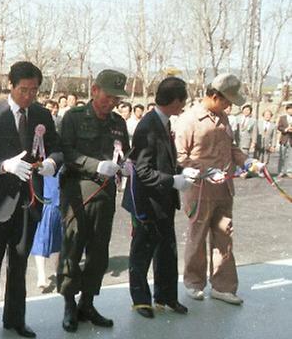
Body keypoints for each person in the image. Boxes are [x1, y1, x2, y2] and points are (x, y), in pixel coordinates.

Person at [0, 61, 61, 339]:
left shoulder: (41, 115)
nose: (28, 96)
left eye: (34, 90)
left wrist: (50, 163)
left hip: (29, 200)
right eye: (23, 89)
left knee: (19, 263)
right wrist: (4, 166)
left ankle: (15, 319)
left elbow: (58, 149)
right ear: (11, 84)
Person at [174, 74, 265, 305]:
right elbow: (179, 158)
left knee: (225, 237)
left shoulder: (223, 117)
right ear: (215, 96)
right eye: (227, 101)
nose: (230, 106)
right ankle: (194, 283)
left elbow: (232, 148)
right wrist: (204, 171)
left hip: (224, 189)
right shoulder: (189, 120)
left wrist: (247, 162)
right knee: (197, 236)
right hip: (200, 190)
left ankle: (223, 286)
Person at [57, 69, 130, 332]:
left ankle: (87, 303)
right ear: (95, 90)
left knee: (99, 253)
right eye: (108, 96)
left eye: (116, 99)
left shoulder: (118, 123)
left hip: (106, 195)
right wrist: (95, 165)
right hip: (78, 193)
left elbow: (125, 153)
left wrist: (127, 166)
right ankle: (68, 304)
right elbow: (65, 151)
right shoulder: (74, 118)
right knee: (72, 250)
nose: (112, 103)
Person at [123, 77, 197, 318]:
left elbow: (162, 161)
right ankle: (141, 300)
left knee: (167, 250)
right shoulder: (148, 126)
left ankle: (166, 297)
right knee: (142, 251)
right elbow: (142, 170)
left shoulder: (163, 122)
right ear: (174, 100)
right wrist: (172, 181)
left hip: (163, 200)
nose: (183, 105)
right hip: (147, 202)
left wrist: (181, 172)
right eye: (182, 100)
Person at [277, 103, 292, 177]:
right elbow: (279, 127)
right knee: (282, 156)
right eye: (289, 109)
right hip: (284, 139)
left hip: (291, 140)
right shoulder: (282, 118)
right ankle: (281, 171)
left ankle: (289, 171)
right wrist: (286, 129)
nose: (291, 111)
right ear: (286, 110)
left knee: (291, 156)